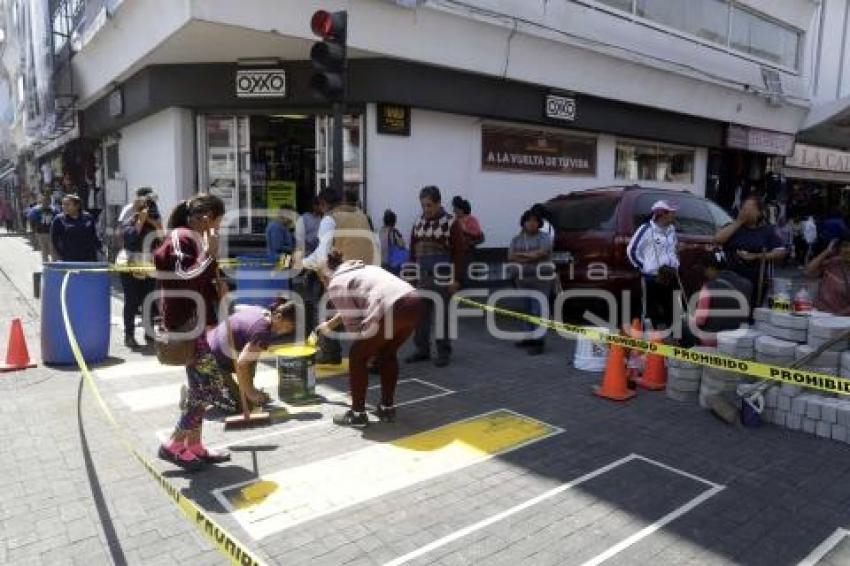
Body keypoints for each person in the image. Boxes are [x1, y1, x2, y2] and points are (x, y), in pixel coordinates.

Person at [154, 194, 235, 471]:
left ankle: (195, 445)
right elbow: (182, 274)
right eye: (218, 221)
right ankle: (174, 443)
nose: (218, 228)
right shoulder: (181, 237)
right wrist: (209, 255)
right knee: (210, 385)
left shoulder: (197, 240)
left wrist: (217, 288)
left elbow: (201, 279)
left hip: (196, 324)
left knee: (201, 388)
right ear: (205, 217)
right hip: (185, 325)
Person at [314, 250, 422, 427]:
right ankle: (387, 408)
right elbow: (356, 306)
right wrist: (329, 325)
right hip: (414, 302)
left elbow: (355, 327)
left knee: (357, 356)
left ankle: (357, 415)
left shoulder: (336, 284)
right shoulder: (362, 269)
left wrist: (367, 350)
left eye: (321, 280)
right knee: (388, 353)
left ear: (324, 276)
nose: (324, 285)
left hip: (391, 308)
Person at [302, 188, 376, 364]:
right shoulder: (361, 215)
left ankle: (330, 353)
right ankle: (372, 357)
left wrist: (302, 262)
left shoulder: (330, 219)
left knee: (325, 311)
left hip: (344, 276)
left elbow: (321, 256)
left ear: (323, 204)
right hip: (367, 273)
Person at [406, 185, 465, 367]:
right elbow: (413, 253)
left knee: (442, 316)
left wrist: (457, 279)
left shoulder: (451, 223)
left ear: (439, 203)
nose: (426, 209)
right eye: (423, 205)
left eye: (429, 205)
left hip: (443, 278)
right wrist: (411, 276)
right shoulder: (418, 223)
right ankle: (422, 349)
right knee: (420, 315)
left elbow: (459, 253)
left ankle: (443, 352)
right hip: (423, 277)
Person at [206, 299, 297, 412]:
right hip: (208, 360)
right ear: (278, 317)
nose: (286, 332)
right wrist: (251, 394)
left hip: (210, 346)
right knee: (243, 406)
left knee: (253, 354)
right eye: (287, 327)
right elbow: (242, 364)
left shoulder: (262, 312)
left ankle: (211, 387)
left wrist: (250, 389)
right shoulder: (262, 333)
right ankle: (204, 394)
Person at [714, 195, 787, 310]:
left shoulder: (767, 231)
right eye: (743, 209)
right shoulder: (732, 227)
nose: (745, 212)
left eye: (749, 210)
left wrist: (756, 256)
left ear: (759, 212)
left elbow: (781, 251)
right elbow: (718, 239)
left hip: (756, 281)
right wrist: (738, 222)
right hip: (730, 278)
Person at [626, 200, 681, 330]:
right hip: (652, 277)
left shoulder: (671, 229)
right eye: (671, 213)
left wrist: (675, 264)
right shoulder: (646, 230)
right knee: (649, 308)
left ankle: (674, 337)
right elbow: (631, 250)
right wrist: (644, 267)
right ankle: (646, 336)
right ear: (662, 214)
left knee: (672, 307)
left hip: (670, 274)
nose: (674, 215)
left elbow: (673, 249)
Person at [119, 197, 163, 348]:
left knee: (148, 301)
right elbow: (130, 239)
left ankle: (149, 334)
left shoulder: (153, 225)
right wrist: (140, 221)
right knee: (131, 301)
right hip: (130, 265)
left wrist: (153, 222)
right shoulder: (129, 222)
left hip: (148, 265)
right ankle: (129, 335)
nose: (150, 213)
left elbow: (162, 239)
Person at [684, 250, 753, 346]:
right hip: (739, 337)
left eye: (705, 269)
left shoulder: (709, 287)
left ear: (711, 268)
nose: (705, 273)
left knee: (683, 325)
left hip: (714, 339)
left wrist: (687, 318)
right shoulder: (747, 283)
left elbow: (700, 320)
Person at [508, 208, 553, 355]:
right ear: (523, 223)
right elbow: (511, 256)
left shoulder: (544, 237)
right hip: (522, 279)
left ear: (539, 223)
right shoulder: (517, 239)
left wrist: (523, 256)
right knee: (526, 309)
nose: (532, 223)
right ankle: (528, 337)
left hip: (541, 280)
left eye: (535, 220)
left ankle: (539, 341)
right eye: (529, 220)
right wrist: (530, 256)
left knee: (538, 310)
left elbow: (543, 253)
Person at [805, 238, 850, 316]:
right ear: (839, 249)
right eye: (845, 246)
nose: (848, 250)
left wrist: (836, 316)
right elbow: (809, 271)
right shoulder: (833, 262)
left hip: (841, 319)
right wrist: (827, 251)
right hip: (818, 312)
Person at [50, 194, 101, 261]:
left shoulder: (88, 218)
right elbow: (54, 240)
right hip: (69, 258)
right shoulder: (59, 220)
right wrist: (61, 255)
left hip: (88, 258)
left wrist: (99, 248)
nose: (64, 207)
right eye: (63, 204)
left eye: (67, 205)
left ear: (77, 206)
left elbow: (94, 236)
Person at [27, 194, 59, 262]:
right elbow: (32, 220)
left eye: (47, 201)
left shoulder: (54, 210)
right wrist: (34, 231)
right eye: (44, 200)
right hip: (40, 233)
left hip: (51, 233)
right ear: (41, 201)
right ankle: (46, 266)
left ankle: (55, 266)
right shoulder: (36, 210)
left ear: (50, 201)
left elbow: (58, 220)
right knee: (44, 251)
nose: (46, 202)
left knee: (53, 251)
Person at [379, 209, 406, 274]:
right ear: (394, 221)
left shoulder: (380, 231)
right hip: (392, 263)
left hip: (382, 262)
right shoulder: (394, 232)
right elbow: (402, 245)